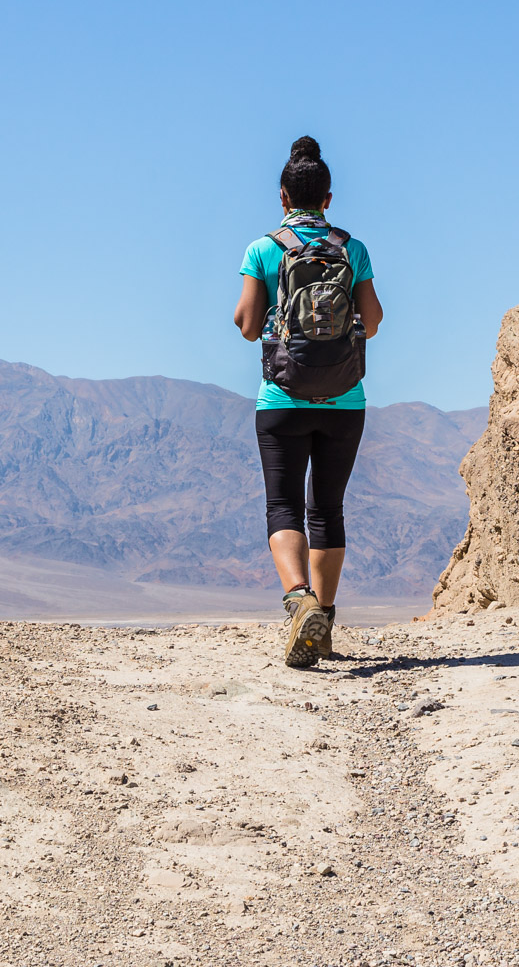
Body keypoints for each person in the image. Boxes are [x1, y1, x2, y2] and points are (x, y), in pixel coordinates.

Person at [233, 136, 384, 668]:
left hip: (281, 396)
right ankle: (324, 620)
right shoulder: (352, 247)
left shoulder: (263, 248)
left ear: (282, 197)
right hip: (345, 397)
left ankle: (299, 603)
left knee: (283, 506)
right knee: (328, 511)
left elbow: (250, 327)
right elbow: (377, 318)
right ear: (328, 198)